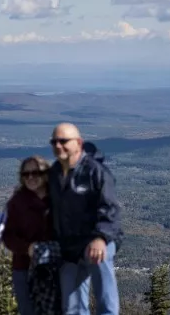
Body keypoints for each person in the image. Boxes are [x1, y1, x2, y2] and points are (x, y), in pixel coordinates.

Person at [47, 123, 123, 315]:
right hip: (70, 249)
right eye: (54, 141)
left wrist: (100, 238)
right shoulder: (54, 173)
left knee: (105, 299)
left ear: (78, 143)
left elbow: (110, 208)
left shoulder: (95, 171)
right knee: (72, 307)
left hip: (97, 242)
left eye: (63, 141)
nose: (58, 145)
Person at [2, 156, 55, 315]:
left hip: (54, 267)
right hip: (24, 268)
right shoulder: (17, 202)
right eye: (26, 174)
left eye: (35, 173)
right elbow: (8, 236)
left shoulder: (58, 199)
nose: (31, 177)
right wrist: (27, 248)